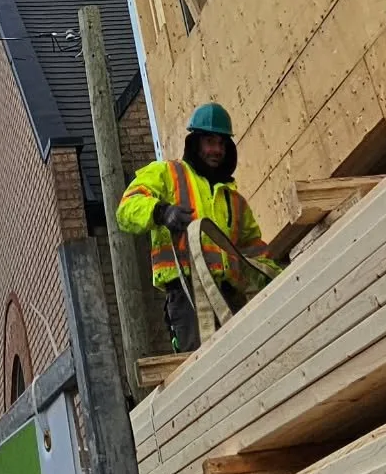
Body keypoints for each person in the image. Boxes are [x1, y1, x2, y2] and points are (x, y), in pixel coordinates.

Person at [117, 101, 279, 352]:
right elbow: (126, 209)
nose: (217, 150)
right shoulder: (168, 173)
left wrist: (279, 279)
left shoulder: (234, 200)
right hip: (187, 295)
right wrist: (161, 212)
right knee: (201, 363)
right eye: (210, 142)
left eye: (221, 143)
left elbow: (254, 251)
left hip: (231, 297)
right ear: (195, 143)